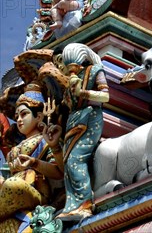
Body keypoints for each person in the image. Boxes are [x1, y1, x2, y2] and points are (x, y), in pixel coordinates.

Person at [53, 43, 108, 220]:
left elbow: (106, 96)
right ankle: (72, 205)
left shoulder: (94, 70)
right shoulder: (69, 84)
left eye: (61, 61)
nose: (60, 66)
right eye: (57, 64)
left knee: (76, 160)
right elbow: (69, 106)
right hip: (74, 122)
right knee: (68, 164)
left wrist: (82, 92)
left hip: (90, 117)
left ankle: (84, 203)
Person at [0, 85, 63, 231]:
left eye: (24, 114)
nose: (19, 120)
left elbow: (59, 172)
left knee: (13, 184)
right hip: (12, 196)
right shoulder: (14, 150)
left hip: (35, 191)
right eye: (17, 117)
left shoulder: (45, 139)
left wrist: (35, 162)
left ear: (39, 116)